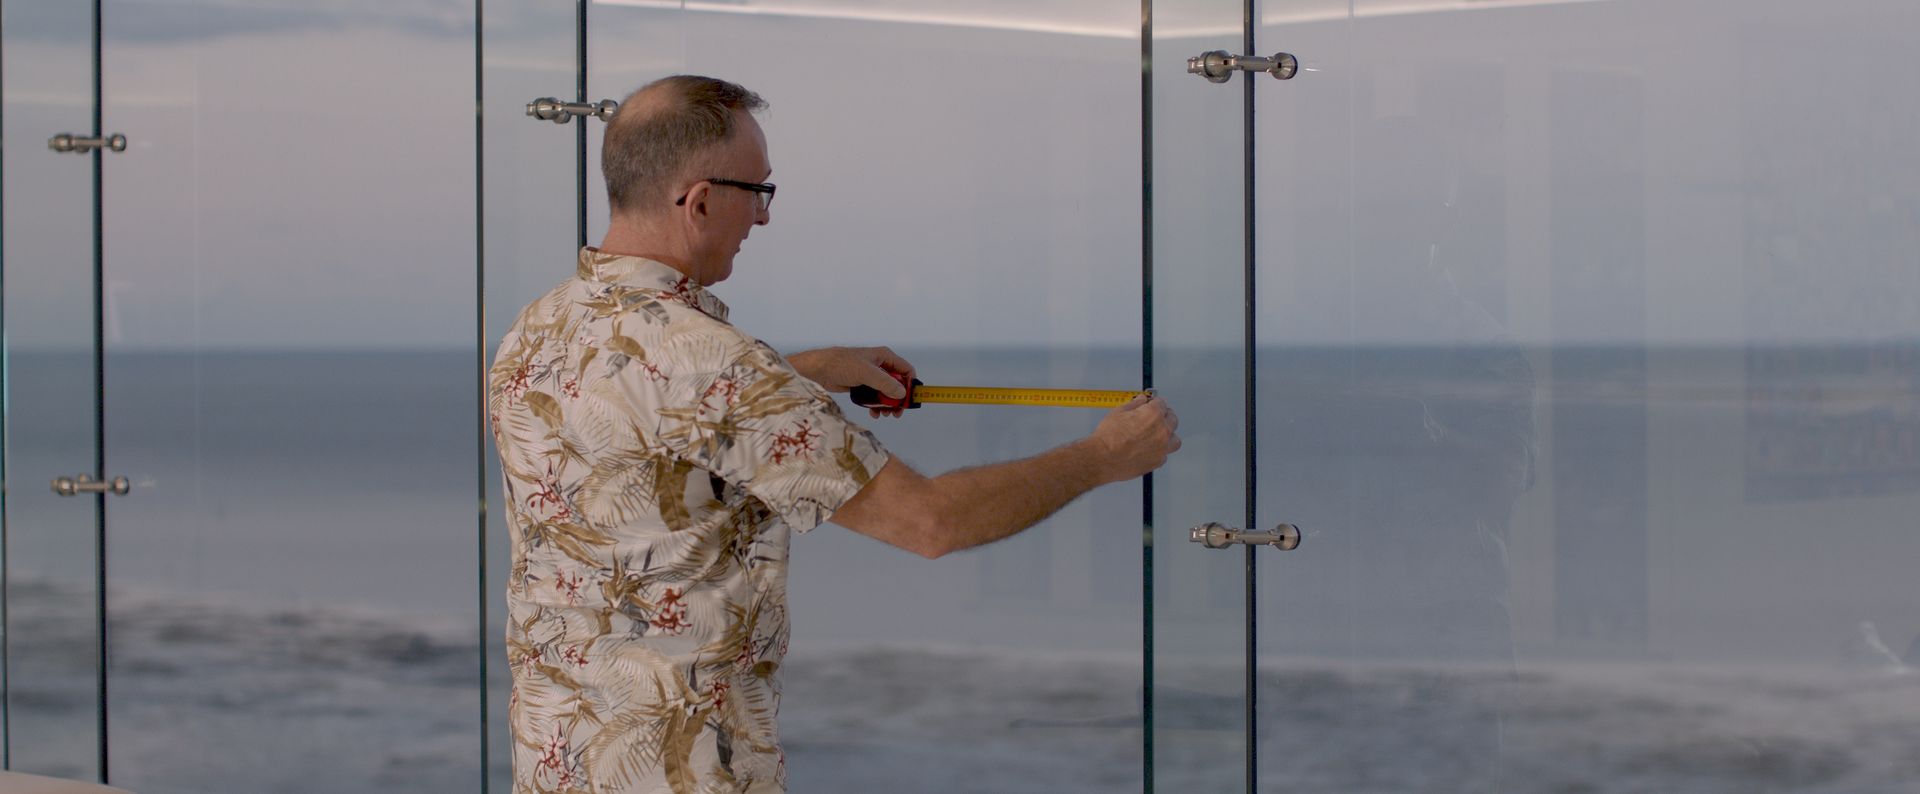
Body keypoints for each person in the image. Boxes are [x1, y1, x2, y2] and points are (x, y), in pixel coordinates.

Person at [486, 74, 1180, 794]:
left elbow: (641, 425)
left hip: (555, 763)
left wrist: (799, 374)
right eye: (757, 192)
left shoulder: (538, 329)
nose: (762, 218)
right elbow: (931, 522)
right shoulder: (715, 367)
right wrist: (1102, 457)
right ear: (698, 202)